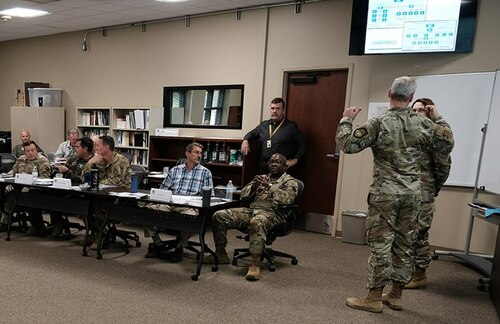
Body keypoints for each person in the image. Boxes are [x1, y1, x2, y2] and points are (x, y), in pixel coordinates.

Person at [336, 76, 453, 313]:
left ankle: (374, 297)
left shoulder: (379, 122)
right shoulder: (424, 124)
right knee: (404, 243)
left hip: (385, 195)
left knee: (381, 244)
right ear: (411, 98)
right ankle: (396, 295)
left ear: (390, 93)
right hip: (413, 195)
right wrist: (437, 116)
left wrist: (347, 119)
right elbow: (447, 143)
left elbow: (347, 144)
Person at [204, 153, 299, 281]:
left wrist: (269, 187)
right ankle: (221, 253)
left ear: (285, 166)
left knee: (256, 222)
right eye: (271, 162)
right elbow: (243, 195)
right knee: (219, 215)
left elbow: (287, 199)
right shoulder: (263, 178)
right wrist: (253, 186)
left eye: (278, 162)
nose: (274, 164)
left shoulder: (290, 182)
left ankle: (254, 264)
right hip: (253, 210)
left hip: (273, 214)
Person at [405, 98, 453, 289]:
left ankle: (419, 275)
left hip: (423, 192)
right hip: (406, 191)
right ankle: (408, 272)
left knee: (419, 234)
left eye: (422, 110)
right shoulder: (410, 133)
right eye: (414, 110)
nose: (417, 114)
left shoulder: (435, 134)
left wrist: (438, 117)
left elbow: (444, 167)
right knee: (406, 234)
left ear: (429, 112)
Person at [145, 142, 213, 262]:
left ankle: (180, 246)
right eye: (196, 152)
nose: (199, 156)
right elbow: (163, 189)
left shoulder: (205, 173)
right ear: (187, 153)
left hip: (189, 206)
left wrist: (199, 207)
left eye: (201, 153)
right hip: (171, 203)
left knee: (191, 217)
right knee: (147, 211)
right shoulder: (175, 170)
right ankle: (158, 243)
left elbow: (209, 197)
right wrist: (155, 201)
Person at [82, 135, 131, 249]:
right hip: (102, 194)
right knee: (85, 202)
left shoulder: (120, 160)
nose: (95, 148)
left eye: (98, 145)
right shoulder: (99, 160)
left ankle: (101, 236)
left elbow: (116, 181)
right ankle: (94, 233)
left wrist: (97, 183)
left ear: (106, 147)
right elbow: (84, 177)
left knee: (99, 203)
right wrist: (90, 163)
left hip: (120, 196)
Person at [241, 97, 306, 173]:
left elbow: (303, 143)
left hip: (281, 168)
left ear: (283, 110)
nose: (274, 111)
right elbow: (252, 133)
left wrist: (295, 160)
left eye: (278, 108)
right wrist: (245, 140)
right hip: (264, 167)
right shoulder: (264, 125)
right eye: (272, 108)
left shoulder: (291, 126)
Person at [0, 140, 52, 234]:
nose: (30, 153)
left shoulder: (42, 161)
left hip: (35, 189)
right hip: (18, 187)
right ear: (24, 152)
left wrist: (29, 181)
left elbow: (44, 178)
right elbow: (13, 172)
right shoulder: (20, 159)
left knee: (28, 195)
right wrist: (5, 178)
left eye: (32, 150)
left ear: (36, 150)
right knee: (4, 192)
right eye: (28, 151)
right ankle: (4, 222)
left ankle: (38, 226)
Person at [49, 137, 94, 237]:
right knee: (48, 194)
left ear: (85, 149)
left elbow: (83, 181)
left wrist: (67, 172)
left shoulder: (93, 162)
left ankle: (93, 233)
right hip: (65, 189)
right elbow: (64, 170)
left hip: (81, 193)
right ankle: (58, 222)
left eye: (77, 147)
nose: (75, 149)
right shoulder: (73, 159)